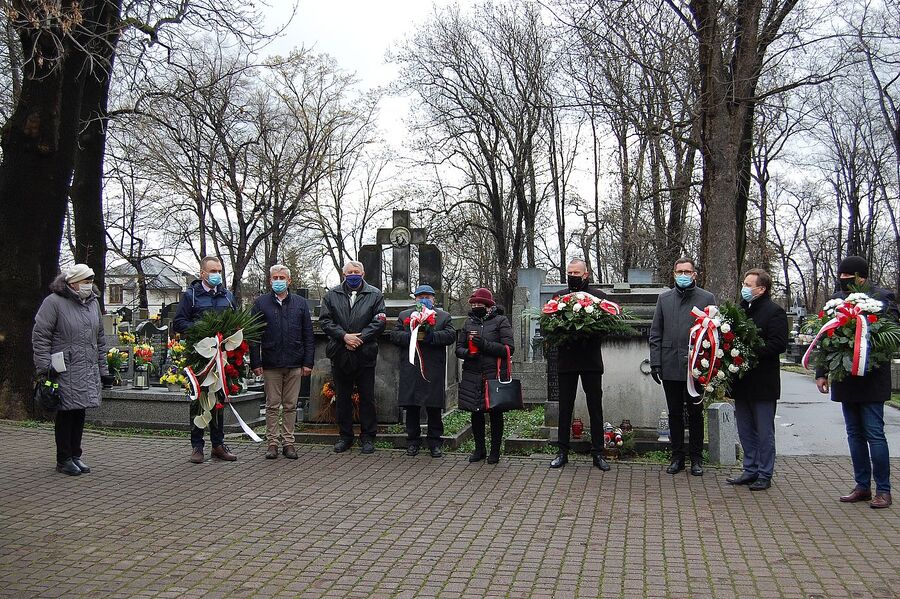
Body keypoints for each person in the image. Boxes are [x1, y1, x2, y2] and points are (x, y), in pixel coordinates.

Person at [816, 255, 898, 509]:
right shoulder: (836, 301)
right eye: (841, 277)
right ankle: (862, 486)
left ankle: (883, 490)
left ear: (861, 277)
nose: (844, 281)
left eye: (848, 277)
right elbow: (825, 337)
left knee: (874, 433)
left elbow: (892, 335)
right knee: (854, 434)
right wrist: (822, 372)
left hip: (872, 377)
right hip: (846, 377)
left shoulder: (882, 298)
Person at [32, 264, 111, 476]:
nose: (89, 285)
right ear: (72, 283)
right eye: (86, 281)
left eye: (91, 281)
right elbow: (41, 336)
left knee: (79, 412)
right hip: (63, 368)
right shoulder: (54, 302)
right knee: (66, 413)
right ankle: (64, 458)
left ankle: (75, 455)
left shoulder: (92, 303)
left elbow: (99, 339)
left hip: (86, 367)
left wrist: (103, 369)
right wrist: (45, 367)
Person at [648, 256, 716, 476]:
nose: (683, 276)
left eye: (687, 272)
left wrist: (709, 365)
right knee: (674, 414)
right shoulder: (664, 299)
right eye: (680, 272)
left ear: (694, 274)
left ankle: (696, 458)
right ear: (674, 274)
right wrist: (656, 363)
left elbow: (714, 332)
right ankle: (677, 457)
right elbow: (656, 333)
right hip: (670, 364)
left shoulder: (706, 298)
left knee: (696, 414)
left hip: (697, 367)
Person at [727, 268, 788, 491]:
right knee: (745, 429)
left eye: (748, 285)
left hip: (763, 382)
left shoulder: (774, 312)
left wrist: (749, 352)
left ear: (761, 289)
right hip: (742, 381)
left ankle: (764, 473)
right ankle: (750, 469)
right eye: (744, 284)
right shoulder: (740, 310)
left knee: (764, 431)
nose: (744, 288)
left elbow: (778, 344)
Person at [173, 256, 238, 464]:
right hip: (199, 356)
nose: (217, 275)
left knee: (218, 400)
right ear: (202, 273)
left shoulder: (227, 296)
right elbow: (179, 323)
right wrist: (202, 330)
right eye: (213, 271)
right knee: (199, 401)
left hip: (221, 356)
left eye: (219, 271)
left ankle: (218, 445)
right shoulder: (191, 296)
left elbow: (236, 322)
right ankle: (197, 446)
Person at [319, 260, 387, 454]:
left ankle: (368, 437)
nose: (353, 275)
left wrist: (359, 338)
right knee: (342, 398)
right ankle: (345, 437)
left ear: (363, 274)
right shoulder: (331, 295)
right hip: (340, 353)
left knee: (367, 398)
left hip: (365, 353)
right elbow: (325, 321)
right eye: (349, 272)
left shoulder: (375, 294)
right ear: (344, 275)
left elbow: (379, 321)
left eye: (356, 272)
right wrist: (344, 337)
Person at [550, 258, 612, 470]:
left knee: (595, 407)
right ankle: (562, 451)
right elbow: (550, 327)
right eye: (570, 273)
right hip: (566, 360)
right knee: (565, 407)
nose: (572, 276)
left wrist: (587, 329)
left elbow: (606, 327)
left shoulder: (599, 297)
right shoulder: (558, 298)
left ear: (586, 274)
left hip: (590, 360)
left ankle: (598, 453)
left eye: (576, 273)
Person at [250, 265, 315, 460]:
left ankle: (288, 442)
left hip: (295, 362)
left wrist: (308, 362)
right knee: (272, 405)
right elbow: (254, 335)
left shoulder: (300, 304)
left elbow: (308, 335)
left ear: (289, 281)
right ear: (270, 280)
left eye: (282, 278)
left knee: (290, 405)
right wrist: (256, 362)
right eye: (275, 278)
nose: (278, 281)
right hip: (271, 363)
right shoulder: (261, 303)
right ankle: (272, 443)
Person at [390, 284, 456, 458]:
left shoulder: (443, 316)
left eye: (427, 297)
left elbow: (450, 335)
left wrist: (431, 336)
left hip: (433, 367)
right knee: (412, 406)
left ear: (433, 299)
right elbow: (394, 335)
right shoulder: (405, 315)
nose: (424, 300)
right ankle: (413, 441)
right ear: (415, 299)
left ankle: (435, 442)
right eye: (420, 297)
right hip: (412, 366)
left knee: (433, 407)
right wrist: (412, 336)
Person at [456, 288, 514, 464]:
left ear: (488, 305)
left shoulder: (501, 321)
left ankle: (495, 451)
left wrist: (485, 345)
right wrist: (467, 353)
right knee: (476, 413)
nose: (475, 307)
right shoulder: (468, 323)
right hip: (472, 374)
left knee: (495, 413)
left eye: (479, 304)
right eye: (473, 304)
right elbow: (458, 348)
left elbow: (509, 349)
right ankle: (479, 449)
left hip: (493, 374)